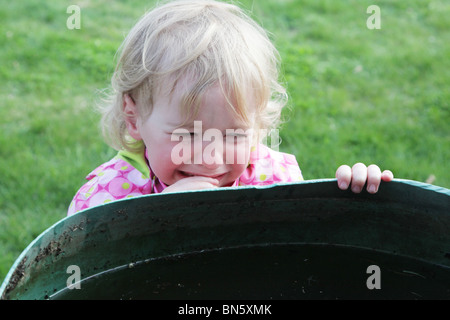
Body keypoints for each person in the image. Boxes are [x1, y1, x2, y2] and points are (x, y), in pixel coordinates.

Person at [67, 0, 393, 216]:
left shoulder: (275, 181)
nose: (211, 158)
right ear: (134, 118)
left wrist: (353, 202)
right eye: (189, 135)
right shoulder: (104, 202)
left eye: (234, 135)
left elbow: (306, 259)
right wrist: (157, 217)